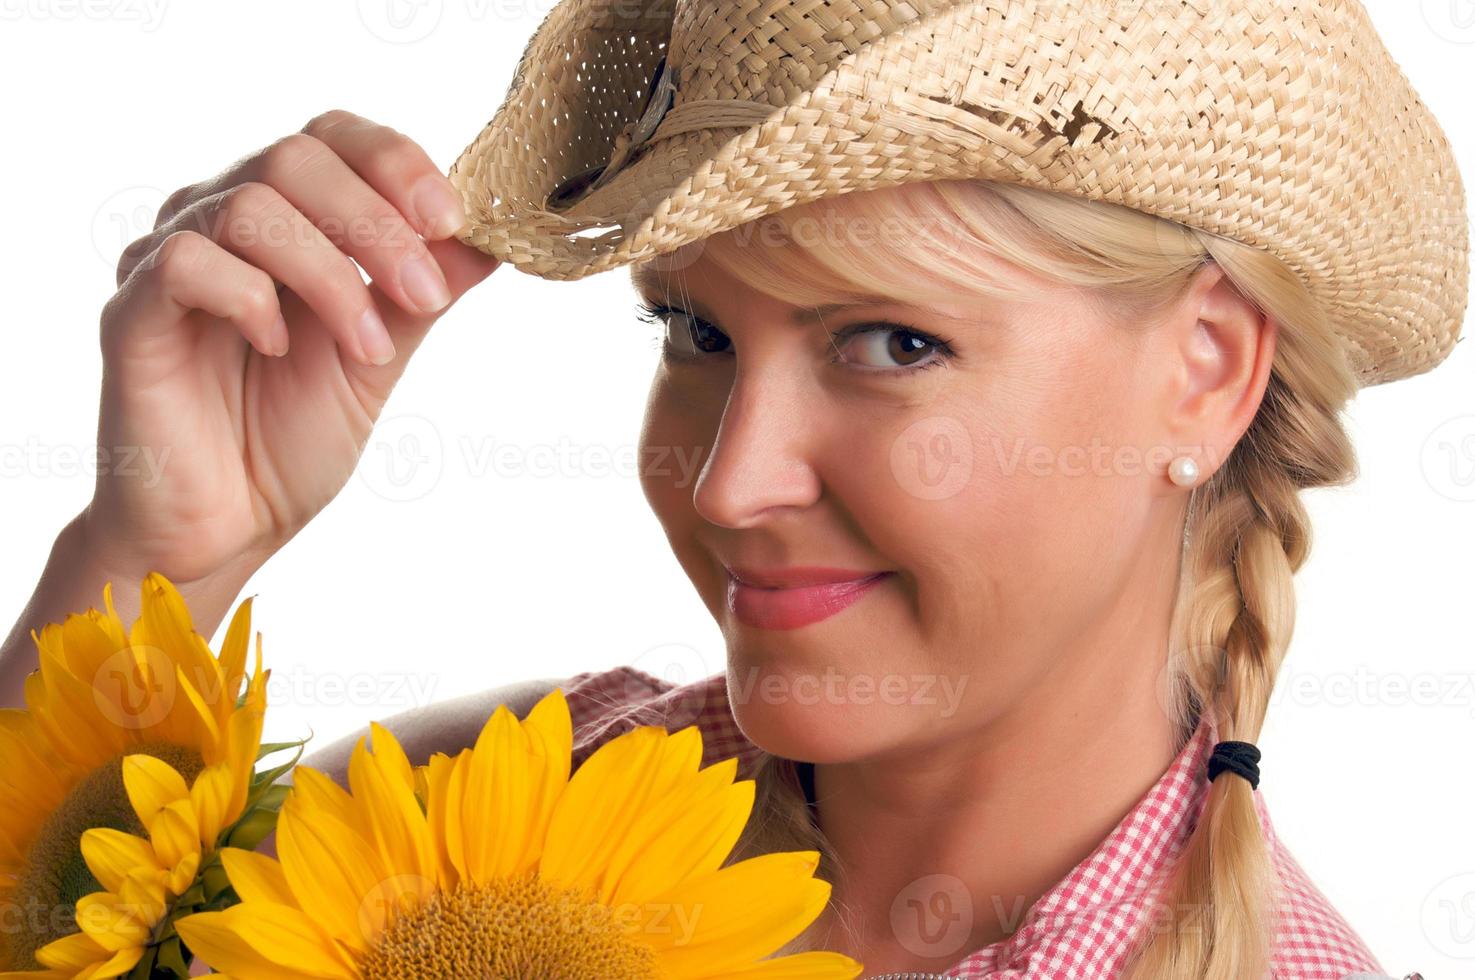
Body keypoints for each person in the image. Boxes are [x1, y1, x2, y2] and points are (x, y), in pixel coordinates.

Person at [1, 0, 1462, 976]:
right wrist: (157, 545)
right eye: (696, 332)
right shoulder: (488, 813)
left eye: (892, 343)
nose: (727, 479)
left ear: (1204, 372)